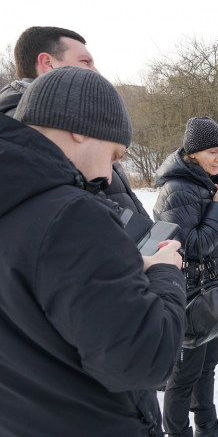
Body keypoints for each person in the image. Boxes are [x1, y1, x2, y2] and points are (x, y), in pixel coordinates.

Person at [0, 66, 187, 436]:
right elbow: (143, 360)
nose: (107, 175)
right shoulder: (73, 214)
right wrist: (165, 271)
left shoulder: (19, 201)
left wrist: (129, 265)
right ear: (80, 128)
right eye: (114, 155)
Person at [0, 25, 151, 227]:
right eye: (85, 61)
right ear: (47, 63)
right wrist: (137, 246)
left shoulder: (71, 119)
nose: (95, 70)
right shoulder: (25, 125)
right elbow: (75, 208)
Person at [152, 117, 218, 437]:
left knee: (208, 364)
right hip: (190, 293)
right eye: (212, 152)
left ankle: (207, 425)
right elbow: (194, 247)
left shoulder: (206, 182)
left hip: (211, 289)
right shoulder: (177, 190)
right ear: (192, 153)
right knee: (184, 375)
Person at [0, 26, 97, 117]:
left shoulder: (16, 119)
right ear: (48, 63)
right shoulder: (45, 122)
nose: (96, 72)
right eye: (85, 61)